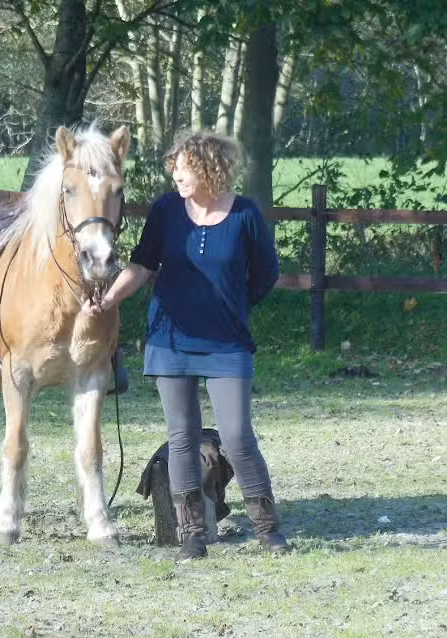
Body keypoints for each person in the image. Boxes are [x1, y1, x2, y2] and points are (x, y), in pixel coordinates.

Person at [82, 131, 289, 560]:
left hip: (227, 344)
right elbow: (141, 265)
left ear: (211, 168)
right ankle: (192, 534)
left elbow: (266, 274)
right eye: (174, 167)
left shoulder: (246, 214)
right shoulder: (166, 211)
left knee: (237, 436)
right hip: (169, 341)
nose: (176, 174)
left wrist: (235, 305)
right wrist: (106, 300)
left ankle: (268, 530)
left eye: (185, 167)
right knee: (182, 438)